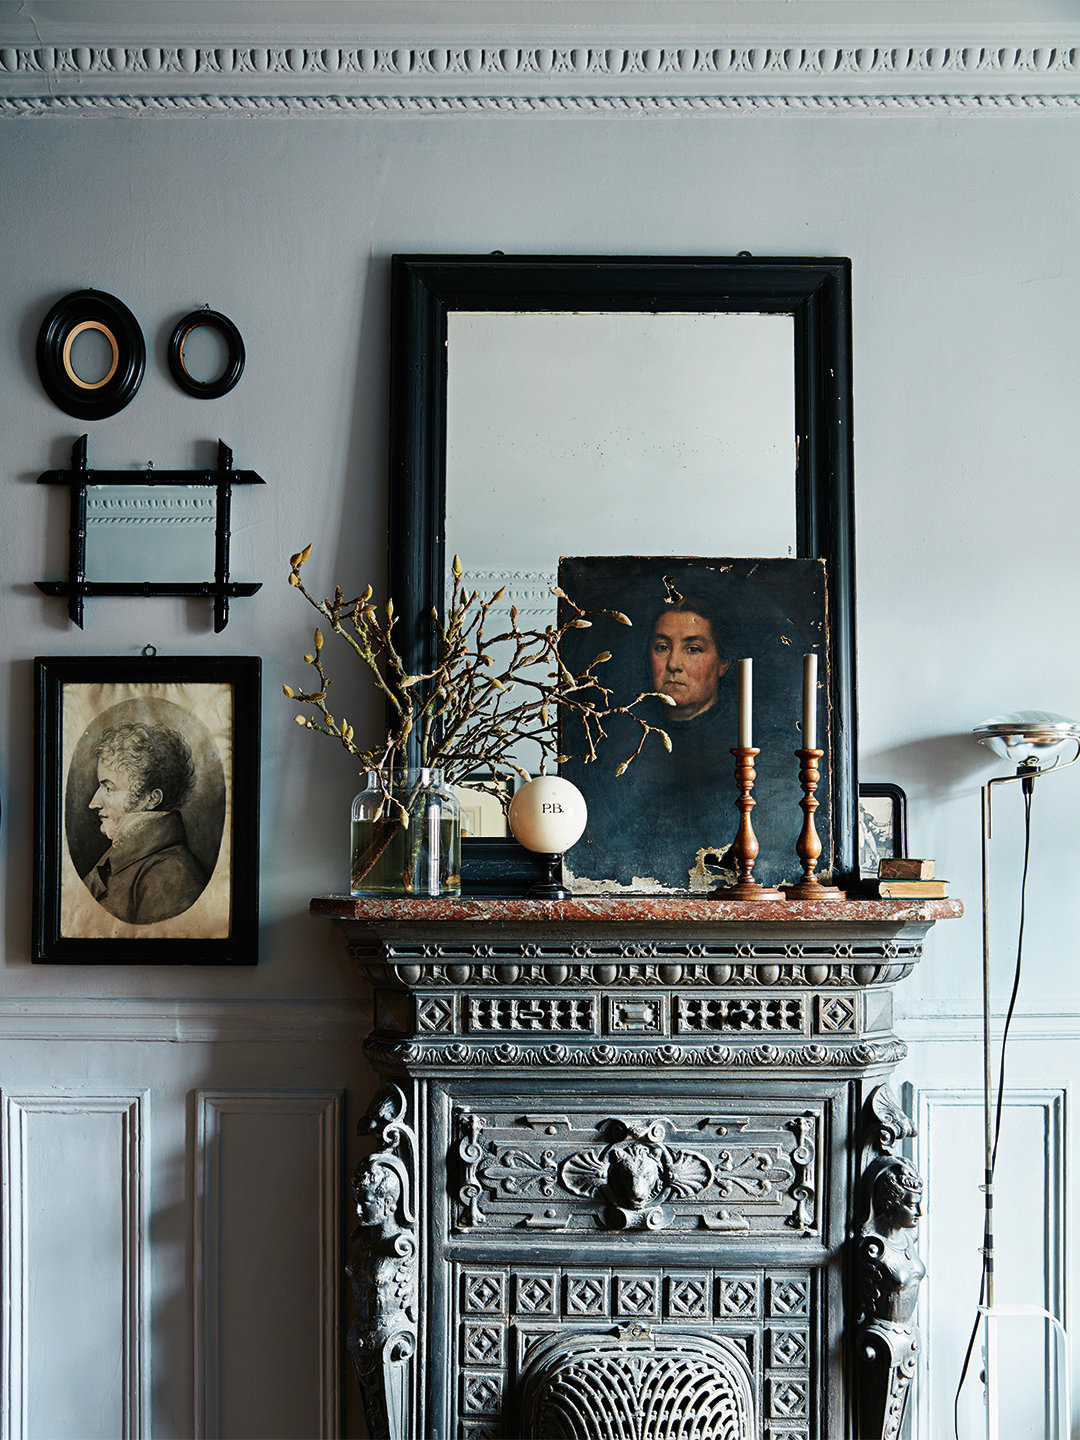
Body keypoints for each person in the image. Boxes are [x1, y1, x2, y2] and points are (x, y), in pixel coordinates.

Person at [82, 722, 208, 925]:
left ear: (151, 799)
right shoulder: (116, 858)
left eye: (109, 788)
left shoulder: (172, 875)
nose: (93, 803)